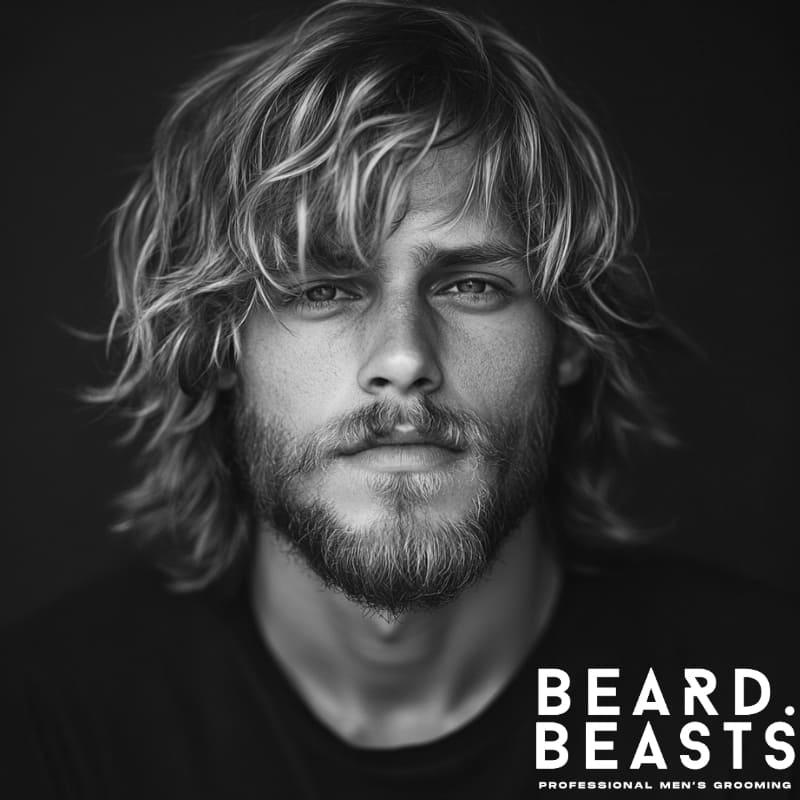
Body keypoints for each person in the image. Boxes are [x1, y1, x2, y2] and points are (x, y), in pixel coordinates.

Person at [1, 2, 795, 798]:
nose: (405, 357)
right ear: (217, 345)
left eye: (474, 285)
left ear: (571, 336)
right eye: (320, 288)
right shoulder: (51, 725)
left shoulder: (753, 707)